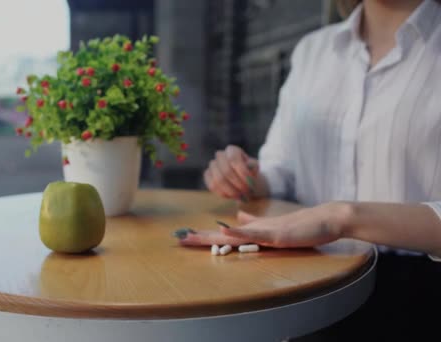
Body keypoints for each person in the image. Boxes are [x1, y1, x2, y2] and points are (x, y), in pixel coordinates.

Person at [178, 0, 441, 340]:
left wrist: (343, 217)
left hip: (421, 300)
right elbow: (280, 172)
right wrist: (245, 177)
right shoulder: (313, 51)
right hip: (307, 284)